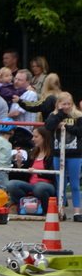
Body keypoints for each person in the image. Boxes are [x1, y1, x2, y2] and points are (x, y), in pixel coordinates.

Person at [45, 92, 82, 222]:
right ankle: (61, 209)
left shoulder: (78, 116)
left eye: (69, 104)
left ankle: (77, 211)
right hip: (57, 153)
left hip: (75, 154)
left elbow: (80, 132)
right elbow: (48, 127)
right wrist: (60, 114)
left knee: (75, 183)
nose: (66, 106)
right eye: (63, 104)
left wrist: (66, 126)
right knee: (60, 182)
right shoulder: (54, 116)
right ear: (58, 104)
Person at [7, 127, 56, 214]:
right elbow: (24, 174)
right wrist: (19, 165)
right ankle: (23, 206)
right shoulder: (32, 152)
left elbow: (53, 174)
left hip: (47, 185)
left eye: (36, 137)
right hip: (31, 184)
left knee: (39, 188)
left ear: (44, 138)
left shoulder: (53, 154)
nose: (33, 139)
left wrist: (38, 172)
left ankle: (46, 209)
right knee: (11, 184)